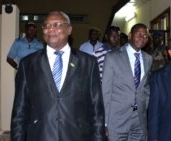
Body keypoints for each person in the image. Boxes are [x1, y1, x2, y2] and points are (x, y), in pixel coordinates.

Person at [11, 11, 106, 141]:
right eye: (46, 26)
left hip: (78, 136)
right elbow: (19, 111)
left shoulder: (88, 63)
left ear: (69, 29)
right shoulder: (28, 64)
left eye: (56, 25)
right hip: (40, 135)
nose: (50, 29)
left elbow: (97, 109)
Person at [102, 23, 153, 141]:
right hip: (116, 118)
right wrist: (105, 122)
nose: (142, 38)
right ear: (130, 35)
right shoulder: (112, 57)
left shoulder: (148, 58)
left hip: (139, 118)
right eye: (139, 34)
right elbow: (106, 91)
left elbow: (145, 87)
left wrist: (144, 105)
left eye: (145, 36)